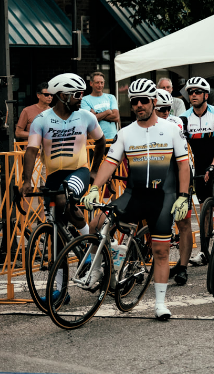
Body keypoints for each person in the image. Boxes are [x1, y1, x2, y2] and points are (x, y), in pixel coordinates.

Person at [81, 78, 190, 321]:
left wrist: (183, 197)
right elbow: (110, 162)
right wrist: (95, 188)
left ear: (153, 101)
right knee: (98, 221)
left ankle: (160, 304)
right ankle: (98, 268)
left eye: (144, 101)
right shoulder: (125, 133)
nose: (139, 105)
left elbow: (183, 166)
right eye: (134, 102)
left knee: (160, 251)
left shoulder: (172, 130)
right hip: (134, 195)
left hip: (163, 198)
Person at [19, 73, 105, 225]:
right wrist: (27, 181)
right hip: (53, 176)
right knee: (54, 223)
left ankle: (88, 238)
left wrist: (94, 170)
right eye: (77, 95)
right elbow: (31, 151)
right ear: (63, 96)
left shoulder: (86, 116)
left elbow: (101, 141)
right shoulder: (41, 120)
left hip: (79, 171)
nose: (81, 99)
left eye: (82, 94)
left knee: (63, 198)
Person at [180, 77, 214, 268]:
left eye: (198, 92)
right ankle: (205, 251)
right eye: (190, 92)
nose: (193, 95)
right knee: (204, 210)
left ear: (206, 95)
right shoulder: (185, 117)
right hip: (200, 167)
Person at [152, 89, 193, 286]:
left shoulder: (175, 123)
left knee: (183, 222)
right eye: (161, 110)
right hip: (157, 177)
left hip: (178, 175)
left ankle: (183, 267)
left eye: (168, 109)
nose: (166, 113)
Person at [80, 72, 119, 146]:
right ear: (91, 83)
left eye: (102, 82)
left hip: (112, 139)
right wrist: (107, 112)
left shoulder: (111, 97)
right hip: (95, 141)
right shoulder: (85, 100)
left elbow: (116, 117)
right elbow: (89, 120)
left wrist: (96, 115)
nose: (100, 85)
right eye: (97, 83)